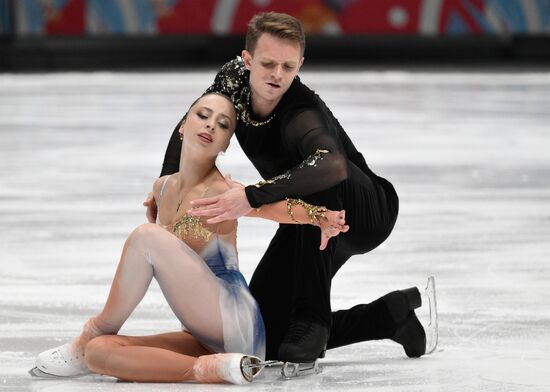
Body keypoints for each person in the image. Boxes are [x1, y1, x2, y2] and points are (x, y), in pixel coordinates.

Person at [150, 12, 437, 363]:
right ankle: (388, 317)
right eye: (268, 63)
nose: (277, 75)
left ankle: (312, 321)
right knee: (262, 337)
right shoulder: (232, 81)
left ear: (300, 64)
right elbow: (194, 124)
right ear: (247, 60)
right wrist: (169, 182)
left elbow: (332, 164)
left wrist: (250, 197)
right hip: (306, 214)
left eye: (288, 67)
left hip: (366, 210)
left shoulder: (301, 113)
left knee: (318, 172)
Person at [32, 93, 348, 384]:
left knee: (146, 237)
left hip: (233, 320)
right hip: (205, 337)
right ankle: (214, 368)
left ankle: (93, 331)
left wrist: (321, 217)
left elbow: (273, 208)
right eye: (203, 115)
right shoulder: (162, 188)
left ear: (225, 144)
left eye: (223, 124)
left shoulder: (223, 190)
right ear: (184, 126)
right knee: (100, 353)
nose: (211, 124)